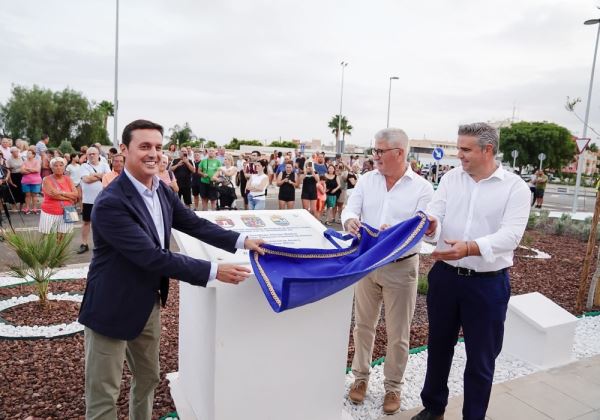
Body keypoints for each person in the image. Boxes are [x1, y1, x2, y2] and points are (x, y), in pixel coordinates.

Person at [78, 119, 265, 419]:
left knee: (148, 378)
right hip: (109, 308)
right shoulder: (111, 203)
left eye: (158, 147)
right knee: (103, 397)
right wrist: (215, 271)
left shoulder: (162, 192)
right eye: (144, 146)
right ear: (124, 150)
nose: (153, 153)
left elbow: (194, 224)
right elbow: (152, 257)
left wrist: (243, 241)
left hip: (147, 304)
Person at [412, 123, 530, 420]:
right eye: (459, 148)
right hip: (445, 278)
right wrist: (429, 224)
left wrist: (469, 248)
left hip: (487, 285)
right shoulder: (451, 178)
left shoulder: (515, 188)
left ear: (487, 150)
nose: (459, 155)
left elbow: (511, 236)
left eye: (465, 149)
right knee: (438, 347)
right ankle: (433, 407)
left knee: (480, 359)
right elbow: (435, 212)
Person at [342, 128, 434, 415]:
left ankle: (393, 387)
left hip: (401, 267)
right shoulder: (367, 180)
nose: (375, 156)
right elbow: (349, 210)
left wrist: (393, 236)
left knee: (398, 332)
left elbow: (424, 231)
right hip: (368, 263)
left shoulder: (422, 189)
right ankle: (360, 379)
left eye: (380, 151)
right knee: (363, 326)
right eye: (374, 151)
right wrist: (350, 222)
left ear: (400, 153)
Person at [78, 147, 110, 254]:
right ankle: (84, 243)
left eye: (94, 154)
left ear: (98, 154)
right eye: (89, 154)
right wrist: (101, 175)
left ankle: (103, 244)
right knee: (86, 222)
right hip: (88, 200)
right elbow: (86, 180)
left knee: (103, 222)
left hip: (103, 200)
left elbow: (109, 179)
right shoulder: (84, 166)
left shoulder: (104, 165)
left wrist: (94, 175)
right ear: (87, 155)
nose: (91, 156)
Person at [38, 157, 78, 241]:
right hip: (49, 211)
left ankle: (59, 254)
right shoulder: (47, 179)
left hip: (68, 210)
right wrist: (68, 198)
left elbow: (75, 195)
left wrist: (61, 192)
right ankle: (44, 254)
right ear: (51, 168)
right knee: (46, 237)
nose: (58, 167)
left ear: (64, 167)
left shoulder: (68, 179)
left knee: (61, 238)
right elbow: (53, 195)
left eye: (61, 165)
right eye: (55, 165)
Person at [21, 149, 42, 214]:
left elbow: (37, 170)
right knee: (27, 195)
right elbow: (22, 171)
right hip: (25, 181)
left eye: (30, 153)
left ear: (33, 155)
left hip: (35, 181)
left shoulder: (37, 161)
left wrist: (27, 169)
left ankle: (34, 208)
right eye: (27, 153)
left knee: (34, 195)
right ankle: (27, 208)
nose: (28, 155)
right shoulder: (24, 162)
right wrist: (32, 170)